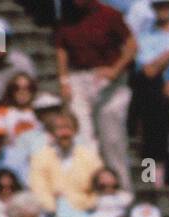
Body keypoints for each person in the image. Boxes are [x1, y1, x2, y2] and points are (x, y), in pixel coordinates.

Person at [54, 0, 136, 185]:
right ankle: (90, 187)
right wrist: (64, 79)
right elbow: (61, 49)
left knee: (112, 139)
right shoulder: (66, 17)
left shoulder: (110, 14)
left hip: (109, 79)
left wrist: (115, 70)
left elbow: (132, 46)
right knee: (83, 138)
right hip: (79, 77)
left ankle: (122, 188)